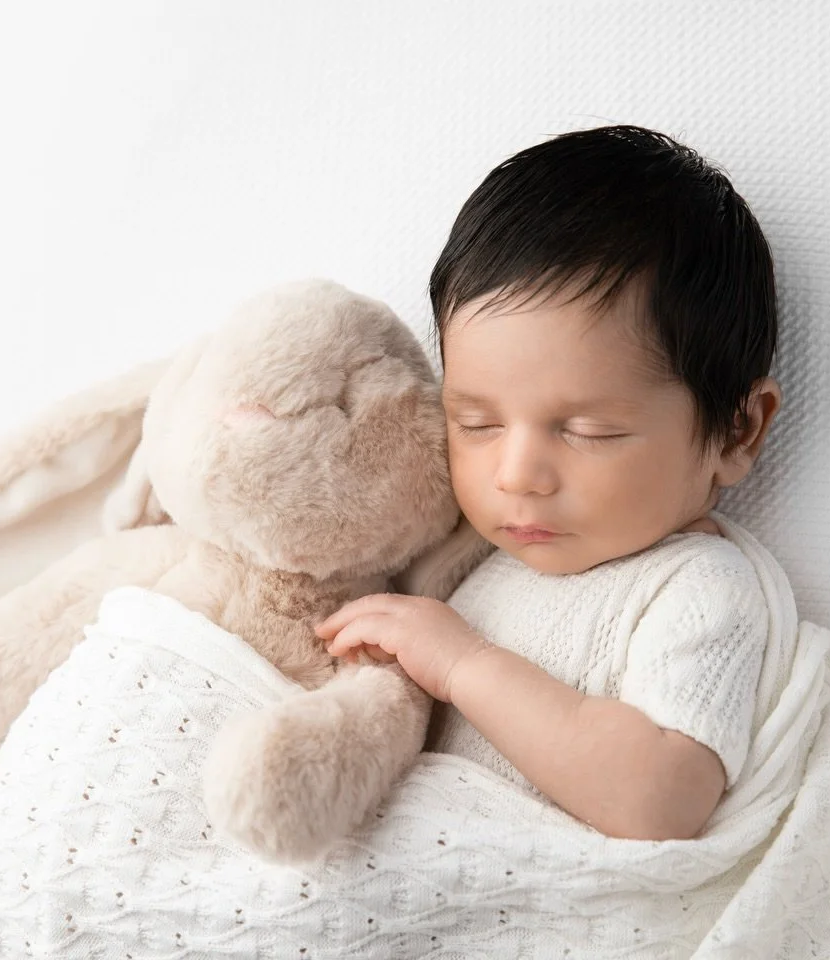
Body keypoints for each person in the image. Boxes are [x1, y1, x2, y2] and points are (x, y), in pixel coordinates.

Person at [316, 125, 782, 842]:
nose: (516, 476)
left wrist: (464, 663)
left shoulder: (694, 587)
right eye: (475, 423)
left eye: (589, 431)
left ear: (736, 432)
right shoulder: (481, 558)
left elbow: (661, 799)